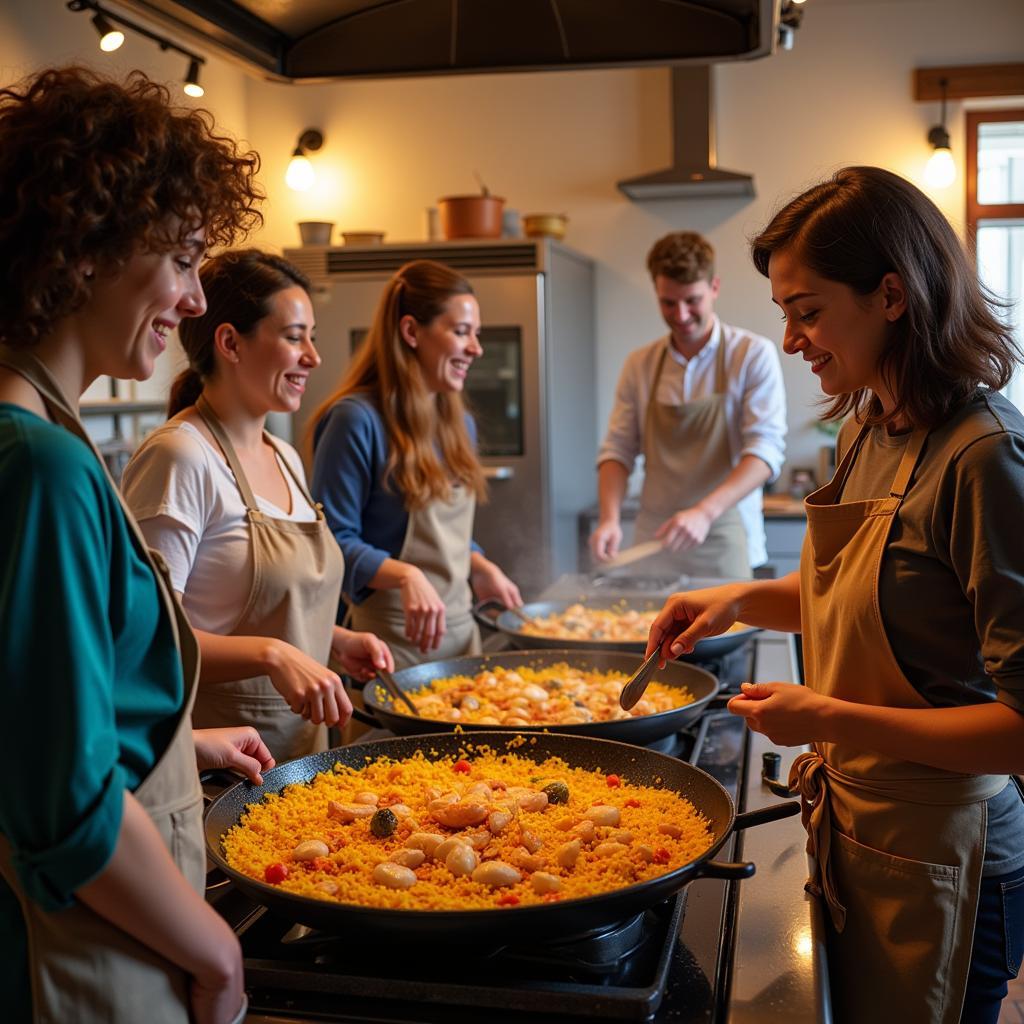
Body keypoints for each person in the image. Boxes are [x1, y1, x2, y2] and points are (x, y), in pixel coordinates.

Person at [646, 167, 1024, 1024]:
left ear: (891, 295)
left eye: (807, 311)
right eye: (784, 312)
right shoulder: (865, 424)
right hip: (860, 832)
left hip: (950, 856)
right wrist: (737, 599)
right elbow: (858, 594)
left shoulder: (984, 457)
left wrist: (829, 719)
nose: (790, 340)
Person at [0, 67, 271, 1023]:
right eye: (185, 259)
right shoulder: (42, 466)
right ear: (87, 249)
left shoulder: (34, 435)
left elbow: (28, 724)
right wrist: (218, 957)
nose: (196, 300)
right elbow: (69, 814)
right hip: (91, 949)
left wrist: (177, 745)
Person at [122, 250, 393, 763]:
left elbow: (242, 611)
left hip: (301, 760)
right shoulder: (180, 456)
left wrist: (332, 641)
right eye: (294, 337)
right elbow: (149, 639)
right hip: (219, 771)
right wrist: (273, 655)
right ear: (230, 343)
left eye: (311, 337)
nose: (313, 356)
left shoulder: (285, 455)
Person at [309, 259, 522, 669]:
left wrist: (478, 563)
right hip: (389, 650)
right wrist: (406, 575)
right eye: (461, 332)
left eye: (475, 334)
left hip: (463, 639)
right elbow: (328, 541)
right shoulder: (356, 420)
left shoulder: (460, 423)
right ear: (410, 332)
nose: (476, 349)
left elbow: (443, 537)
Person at [590, 231, 787, 579]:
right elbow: (618, 450)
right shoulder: (641, 364)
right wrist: (609, 518)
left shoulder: (751, 355)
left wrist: (704, 512)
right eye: (668, 303)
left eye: (691, 300)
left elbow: (765, 450)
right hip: (652, 540)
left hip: (723, 535)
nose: (680, 315)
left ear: (714, 287)